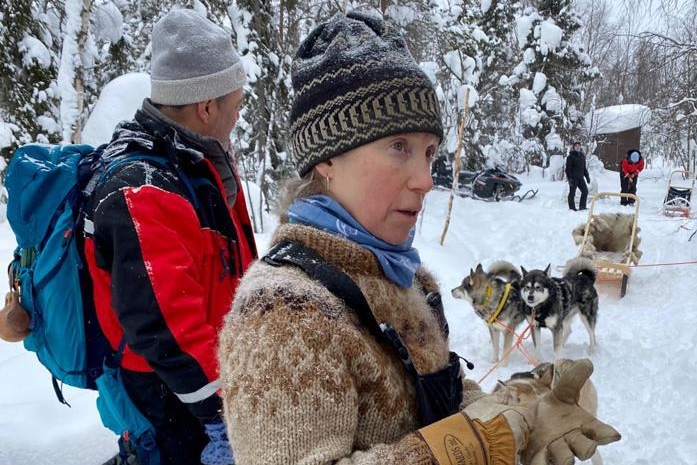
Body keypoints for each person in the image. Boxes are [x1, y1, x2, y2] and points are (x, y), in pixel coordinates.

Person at [217, 12, 620, 465]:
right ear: (327, 158)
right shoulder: (283, 313)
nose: (426, 180)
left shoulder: (408, 279)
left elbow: (442, 400)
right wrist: (474, 445)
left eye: (429, 152)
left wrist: (524, 411)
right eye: (398, 147)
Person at [85, 8, 257, 465]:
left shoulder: (194, 163)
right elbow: (162, 325)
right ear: (206, 107)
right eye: (235, 108)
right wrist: (221, 412)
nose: (236, 120)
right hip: (171, 393)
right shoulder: (144, 190)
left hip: (199, 378)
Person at [565, 141, 591, 211]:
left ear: (580, 147)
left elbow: (584, 168)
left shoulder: (582, 156)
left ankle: (582, 206)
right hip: (573, 178)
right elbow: (568, 169)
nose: (577, 147)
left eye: (579, 146)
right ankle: (572, 208)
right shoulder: (570, 157)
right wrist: (569, 178)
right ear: (574, 147)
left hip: (581, 178)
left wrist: (587, 177)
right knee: (572, 193)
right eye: (576, 146)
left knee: (585, 191)